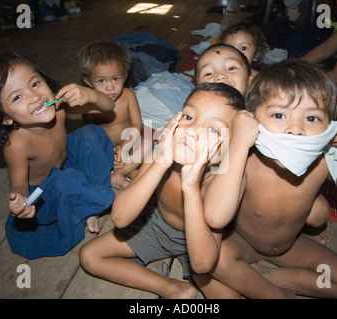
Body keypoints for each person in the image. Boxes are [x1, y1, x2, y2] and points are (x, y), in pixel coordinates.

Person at [195, 60, 337, 298]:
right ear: (252, 119)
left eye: (312, 118)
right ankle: (272, 293)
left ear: (331, 125)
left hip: (288, 247)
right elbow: (213, 214)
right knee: (214, 260)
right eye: (278, 115)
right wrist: (239, 144)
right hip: (240, 243)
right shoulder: (245, 155)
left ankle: (263, 276)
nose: (295, 129)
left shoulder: (324, 157)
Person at [79, 82, 246, 299]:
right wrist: (161, 161)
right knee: (89, 256)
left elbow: (202, 262)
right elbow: (120, 218)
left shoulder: (224, 180)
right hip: (154, 225)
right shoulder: (161, 154)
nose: (192, 131)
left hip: (198, 242)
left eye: (213, 129)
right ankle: (171, 288)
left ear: (231, 148)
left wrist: (190, 188)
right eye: (188, 117)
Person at [0, 52, 116, 259]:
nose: (35, 97)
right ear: (5, 118)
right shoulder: (17, 144)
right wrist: (20, 199)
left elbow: (109, 106)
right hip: (45, 193)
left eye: (35, 84)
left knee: (90, 134)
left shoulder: (58, 107)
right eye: (17, 97)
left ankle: (90, 203)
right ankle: (96, 203)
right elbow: (18, 185)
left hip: (66, 166)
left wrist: (90, 95)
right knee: (67, 181)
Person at [195, 45, 332, 243]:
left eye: (231, 68)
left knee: (319, 212)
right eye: (208, 73)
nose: (220, 76)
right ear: (198, 87)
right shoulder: (200, 118)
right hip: (230, 185)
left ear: (251, 79)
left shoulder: (265, 110)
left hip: (273, 186)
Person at [78, 41, 147, 190]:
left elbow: (137, 125)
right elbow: (91, 133)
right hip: (106, 150)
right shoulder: (89, 105)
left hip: (129, 145)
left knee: (147, 144)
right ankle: (129, 173)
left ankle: (121, 173)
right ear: (88, 82)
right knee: (87, 154)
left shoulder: (128, 95)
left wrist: (124, 147)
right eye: (101, 81)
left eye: (115, 79)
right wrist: (109, 154)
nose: (110, 87)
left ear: (124, 76)